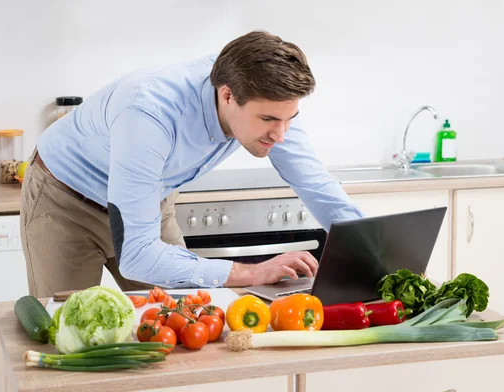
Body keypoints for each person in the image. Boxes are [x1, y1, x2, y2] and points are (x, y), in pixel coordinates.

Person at [20, 30, 366, 298]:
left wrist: (375, 256)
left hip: (150, 199)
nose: (281, 135)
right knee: (68, 338)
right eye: (269, 120)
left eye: (290, 119)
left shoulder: (268, 101)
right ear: (227, 95)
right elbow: (138, 255)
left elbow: (316, 186)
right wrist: (251, 272)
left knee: (184, 319)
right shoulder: (149, 113)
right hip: (66, 203)